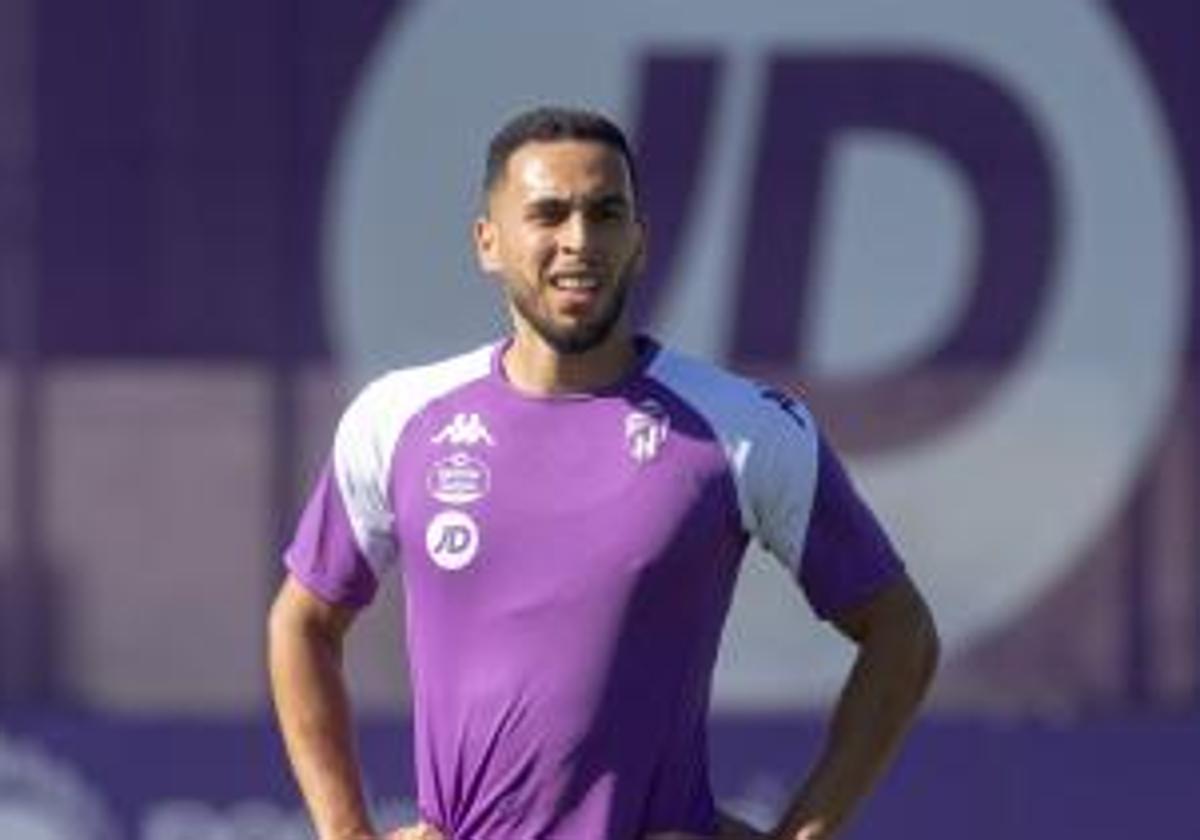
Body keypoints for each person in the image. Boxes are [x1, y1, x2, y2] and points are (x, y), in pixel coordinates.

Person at [268, 105, 939, 840]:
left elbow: (900, 632)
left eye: (605, 213)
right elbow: (303, 621)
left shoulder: (741, 426)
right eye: (548, 214)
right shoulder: (398, 417)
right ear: (488, 242)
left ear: (640, 241)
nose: (578, 241)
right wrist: (345, 833)